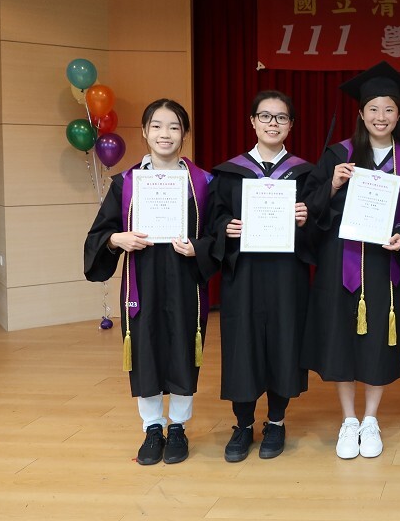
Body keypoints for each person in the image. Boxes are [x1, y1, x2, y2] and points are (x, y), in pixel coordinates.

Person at [301, 62, 400, 459]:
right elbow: (309, 209)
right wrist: (333, 183)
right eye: (373, 109)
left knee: (377, 342)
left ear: (399, 115)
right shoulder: (339, 155)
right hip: (341, 262)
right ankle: (349, 419)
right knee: (341, 338)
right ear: (360, 113)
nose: (380, 116)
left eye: (389, 109)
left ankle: (371, 418)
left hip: (384, 263)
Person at [84, 99, 215, 465]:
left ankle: (178, 427)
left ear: (185, 134)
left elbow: (218, 235)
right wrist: (117, 239)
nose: (164, 134)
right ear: (144, 131)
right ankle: (152, 428)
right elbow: (100, 234)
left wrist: (198, 247)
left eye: (174, 126)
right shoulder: (125, 183)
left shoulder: (203, 183)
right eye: (156, 126)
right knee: (145, 348)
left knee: (183, 347)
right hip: (142, 280)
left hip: (185, 280)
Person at [207, 90, 313, 462]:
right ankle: (243, 425)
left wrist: (307, 218)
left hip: (287, 277)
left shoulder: (305, 173)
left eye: (281, 117)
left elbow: (320, 227)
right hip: (245, 275)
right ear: (252, 121)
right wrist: (225, 227)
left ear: (291, 125)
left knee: (284, 342)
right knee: (243, 344)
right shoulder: (229, 172)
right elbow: (212, 219)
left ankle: (277, 422)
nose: (273, 123)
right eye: (265, 116)